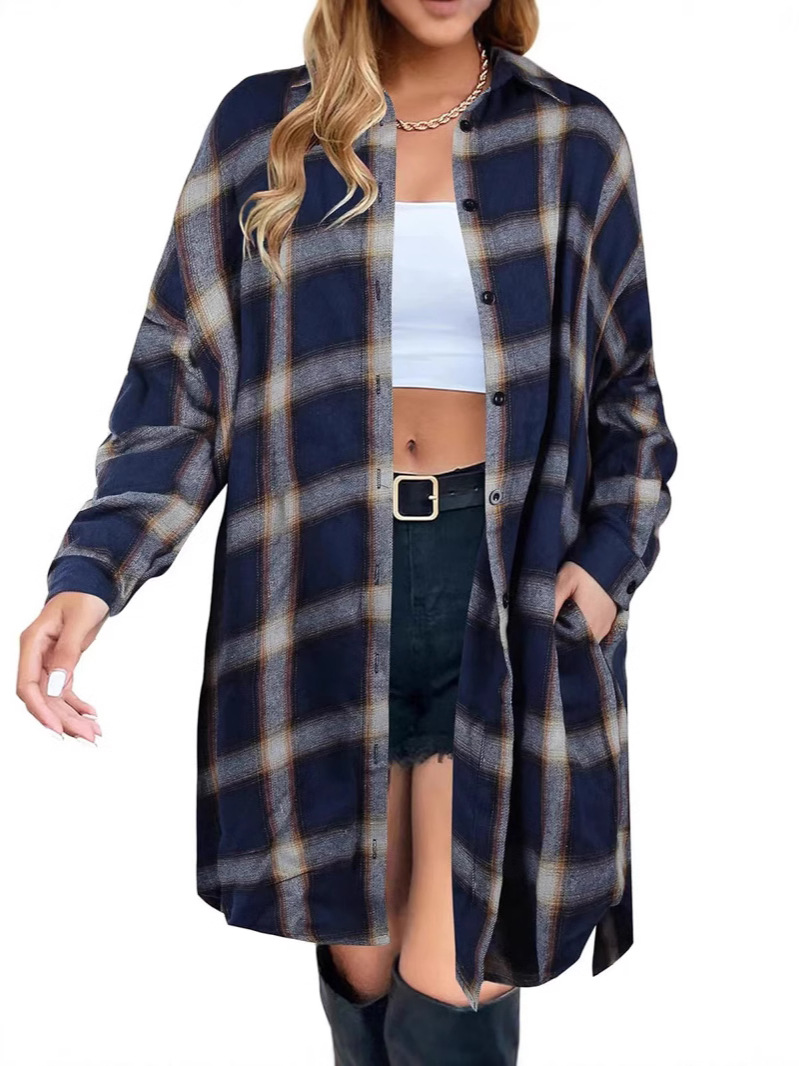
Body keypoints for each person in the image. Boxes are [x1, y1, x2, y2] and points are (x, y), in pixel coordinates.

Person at [16, 1, 678, 1062]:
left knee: (458, 964)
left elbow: (629, 407)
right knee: (362, 974)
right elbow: (181, 391)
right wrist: (91, 575)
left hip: (505, 596)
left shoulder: (572, 138)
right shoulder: (263, 130)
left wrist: (602, 572)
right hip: (319, 591)